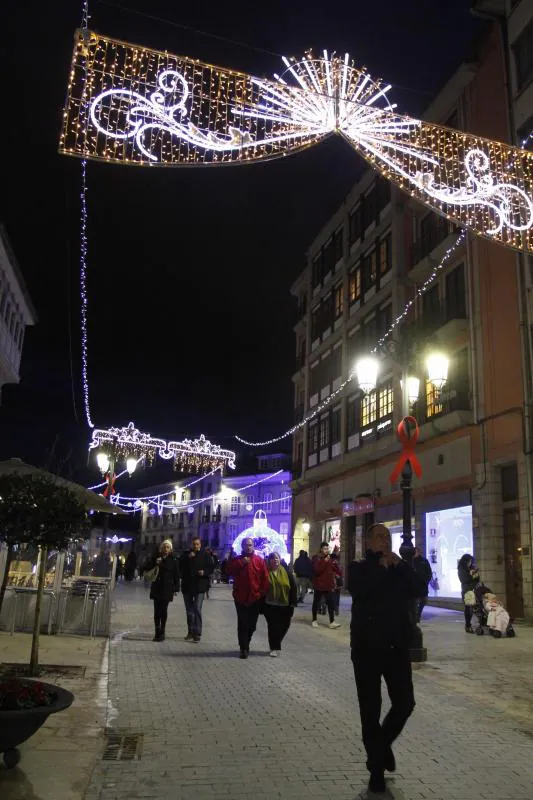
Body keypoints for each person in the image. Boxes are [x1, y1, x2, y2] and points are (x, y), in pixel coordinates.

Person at [348, 523, 427, 795]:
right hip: (366, 649)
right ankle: (377, 772)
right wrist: (380, 567)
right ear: (369, 541)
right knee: (370, 710)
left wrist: (403, 566)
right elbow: (359, 589)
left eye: (388, 537)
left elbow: (419, 588)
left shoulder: (399, 567)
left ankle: (379, 750)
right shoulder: (359, 567)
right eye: (380, 537)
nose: (385, 541)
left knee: (405, 703)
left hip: (396, 647)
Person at [225, 537, 269, 659]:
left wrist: (261, 593)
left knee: (252, 624)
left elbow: (265, 578)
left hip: (255, 598)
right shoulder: (237, 560)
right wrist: (241, 563)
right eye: (246, 545)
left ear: (253, 546)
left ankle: (246, 641)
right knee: (243, 622)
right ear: (242, 546)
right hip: (240, 597)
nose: (248, 547)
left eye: (250, 545)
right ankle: (243, 647)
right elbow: (229, 571)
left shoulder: (259, 561)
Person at [144, 540, 181, 642]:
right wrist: (154, 562)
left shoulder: (173, 560)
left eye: (168, 547)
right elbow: (146, 567)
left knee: (163, 610)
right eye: (164, 547)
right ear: (161, 548)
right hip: (157, 587)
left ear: (170, 549)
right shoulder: (156, 557)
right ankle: (157, 631)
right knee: (157, 611)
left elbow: (176, 575)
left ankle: (163, 631)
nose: (166, 549)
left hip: (167, 588)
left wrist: (176, 588)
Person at [263, 552, 297, 657]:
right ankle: (274, 647)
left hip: (285, 604)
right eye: (272, 558)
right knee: (273, 627)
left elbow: (293, 588)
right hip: (270, 604)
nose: (275, 560)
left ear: (280, 559)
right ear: (269, 561)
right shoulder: (265, 573)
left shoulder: (287, 573)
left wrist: (292, 603)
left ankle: (276, 642)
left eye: (276, 558)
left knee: (285, 625)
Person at [179, 537, 213, 642]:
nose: (195, 546)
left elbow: (211, 568)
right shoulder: (186, 555)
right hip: (187, 586)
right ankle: (190, 632)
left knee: (197, 609)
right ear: (191, 545)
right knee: (189, 611)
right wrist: (188, 558)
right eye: (194, 544)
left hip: (200, 586)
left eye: (197, 544)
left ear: (200, 545)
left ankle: (197, 633)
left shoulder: (206, 556)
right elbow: (180, 567)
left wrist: (204, 572)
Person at [311, 542, 341, 629]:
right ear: (321, 549)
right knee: (316, 602)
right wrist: (324, 561)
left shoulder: (329, 558)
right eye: (325, 549)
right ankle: (314, 620)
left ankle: (332, 621)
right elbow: (317, 570)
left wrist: (337, 573)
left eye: (327, 549)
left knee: (331, 602)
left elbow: (333, 569)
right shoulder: (316, 558)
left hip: (328, 585)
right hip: (319, 584)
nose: (326, 550)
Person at [458, 553, 480, 633]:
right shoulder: (461, 569)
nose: (470, 563)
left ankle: (479, 623)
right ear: (465, 561)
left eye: (471, 561)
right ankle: (468, 625)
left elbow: (477, 579)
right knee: (468, 608)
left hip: (474, 590)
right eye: (469, 561)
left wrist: (474, 574)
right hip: (467, 591)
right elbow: (465, 580)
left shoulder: (471, 568)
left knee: (476, 608)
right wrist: (472, 576)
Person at [413, 547, 432, 622]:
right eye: (415, 551)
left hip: (423, 585)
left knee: (423, 601)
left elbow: (429, 573)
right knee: (414, 601)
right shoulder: (410, 561)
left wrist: (426, 581)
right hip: (414, 585)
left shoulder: (424, 561)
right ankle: (415, 616)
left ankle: (418, 614)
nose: (416, 553)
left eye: (417, 551)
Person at [331, 546, 344, 616]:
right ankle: (336, 608)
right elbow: (341, 572)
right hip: (338, 582)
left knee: (333, 595)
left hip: (333, 582)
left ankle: (334, 608)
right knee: (337, 596)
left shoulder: (330, 563)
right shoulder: (338, 564)